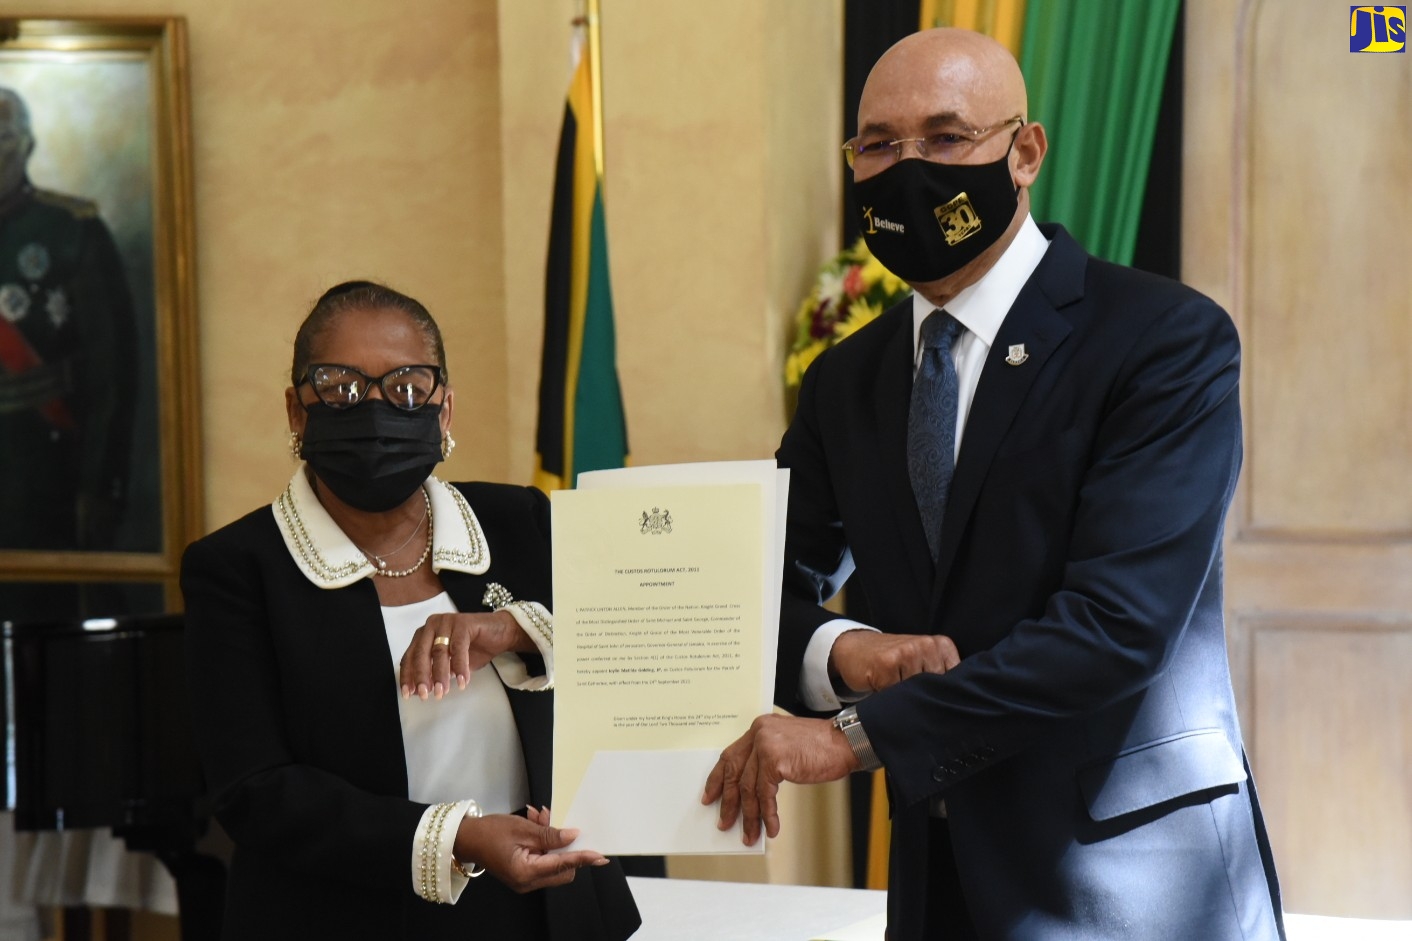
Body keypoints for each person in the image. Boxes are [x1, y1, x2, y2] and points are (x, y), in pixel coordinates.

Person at [703, 28, 1286, 941]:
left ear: (1025, 153)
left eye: (946, 138)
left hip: (1134, 878)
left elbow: (1117, 626)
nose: (908, 169)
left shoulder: (1163, 339)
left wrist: (855, 736)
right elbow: (750, 595)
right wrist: (846, 651)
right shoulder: (846, 381)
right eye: (878, 145)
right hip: (938, 879)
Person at [180, 281, 639, 940]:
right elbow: (255, 791)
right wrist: (458, 836)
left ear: (444, 410)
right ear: (296, 410)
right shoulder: (238, 567)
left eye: (406, 387)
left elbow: (635, 649)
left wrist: (515, 628)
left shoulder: (520, 521)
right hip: (342, 918)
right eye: (340, 387)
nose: (374, 409)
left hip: (551, 908)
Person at [0, 86, 137, 554]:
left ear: (27, 145)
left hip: (42, 468)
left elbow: (112, 373)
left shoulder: (71, 229)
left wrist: (99, 485)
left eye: (3, 137)